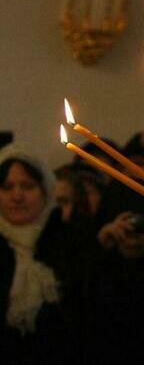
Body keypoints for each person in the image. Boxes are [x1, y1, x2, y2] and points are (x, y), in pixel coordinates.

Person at [0, 145, 85, 363]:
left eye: (27, 186)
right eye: (7, 187)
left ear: (45, 191)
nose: (17, 196)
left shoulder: (70, 242)